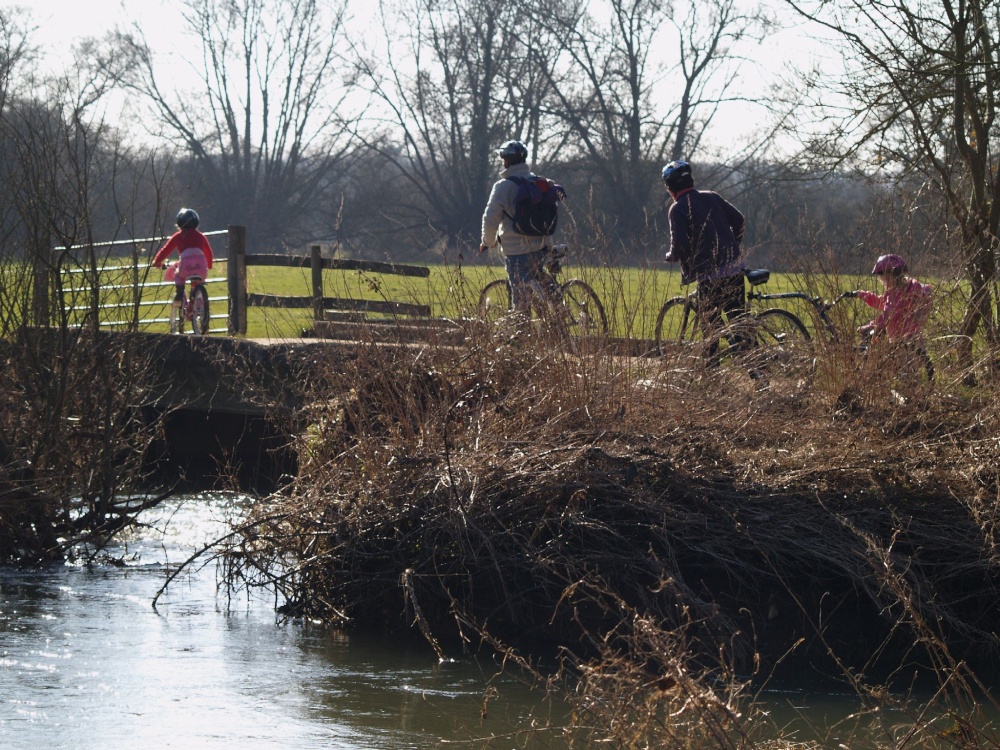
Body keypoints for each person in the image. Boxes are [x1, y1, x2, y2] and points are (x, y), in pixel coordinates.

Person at [661, 160, 749, 360]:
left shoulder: (677, 209)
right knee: (740, 323)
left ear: (670, 188)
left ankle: (711, 376)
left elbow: (680, 244)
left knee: (711, 328)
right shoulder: (711, 197)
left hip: (709, 277)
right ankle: (759, 371)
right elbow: (739, 221)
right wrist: (732, 246)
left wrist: (671, 256)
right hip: (734, 270)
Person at [479, 140, 561, 312]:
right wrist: (548, 245)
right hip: (541, 247)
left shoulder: (503, 186)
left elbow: (490, 217)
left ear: (506, 161)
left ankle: (521, 334)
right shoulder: (540, 182)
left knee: (521, 304)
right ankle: (557, 321)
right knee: (544, 289)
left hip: (516, 251)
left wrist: (487, 242)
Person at [851, 253, 933, 342]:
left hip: (904, 340)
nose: (882, 281)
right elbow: (882, 302)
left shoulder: (897, 294)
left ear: (891, 275)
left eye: (882, 277)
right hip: (913, 337)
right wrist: (863, 295)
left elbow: (889, 314)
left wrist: (873, 326)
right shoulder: (905, 290)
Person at [152, 207, 215, 308]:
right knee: (199, 282)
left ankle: (179, 292)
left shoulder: (178, 236)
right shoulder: (201, 236)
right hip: (201, 267)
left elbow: (166, 249)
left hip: (186, 267)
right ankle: (199, 304)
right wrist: (210, 265)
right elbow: (208, 252)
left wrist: (157, 261)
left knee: (179, 276)